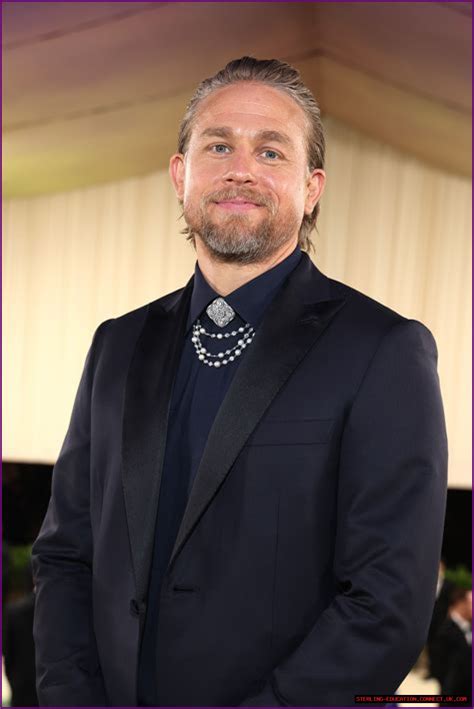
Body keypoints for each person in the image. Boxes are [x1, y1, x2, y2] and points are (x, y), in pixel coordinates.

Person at [32, 56, 448, 707]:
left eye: (271, 151)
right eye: (219, 145)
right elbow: (65, 556)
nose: (241, 169)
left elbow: (386, 603)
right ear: (181, 174)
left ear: (312, 187)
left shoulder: (384, 351)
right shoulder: (117, 345)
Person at [430, 588, 472, 706]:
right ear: (461, 603)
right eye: (471, 604)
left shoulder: (467, 629)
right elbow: (438, 667)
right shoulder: (446, 630)